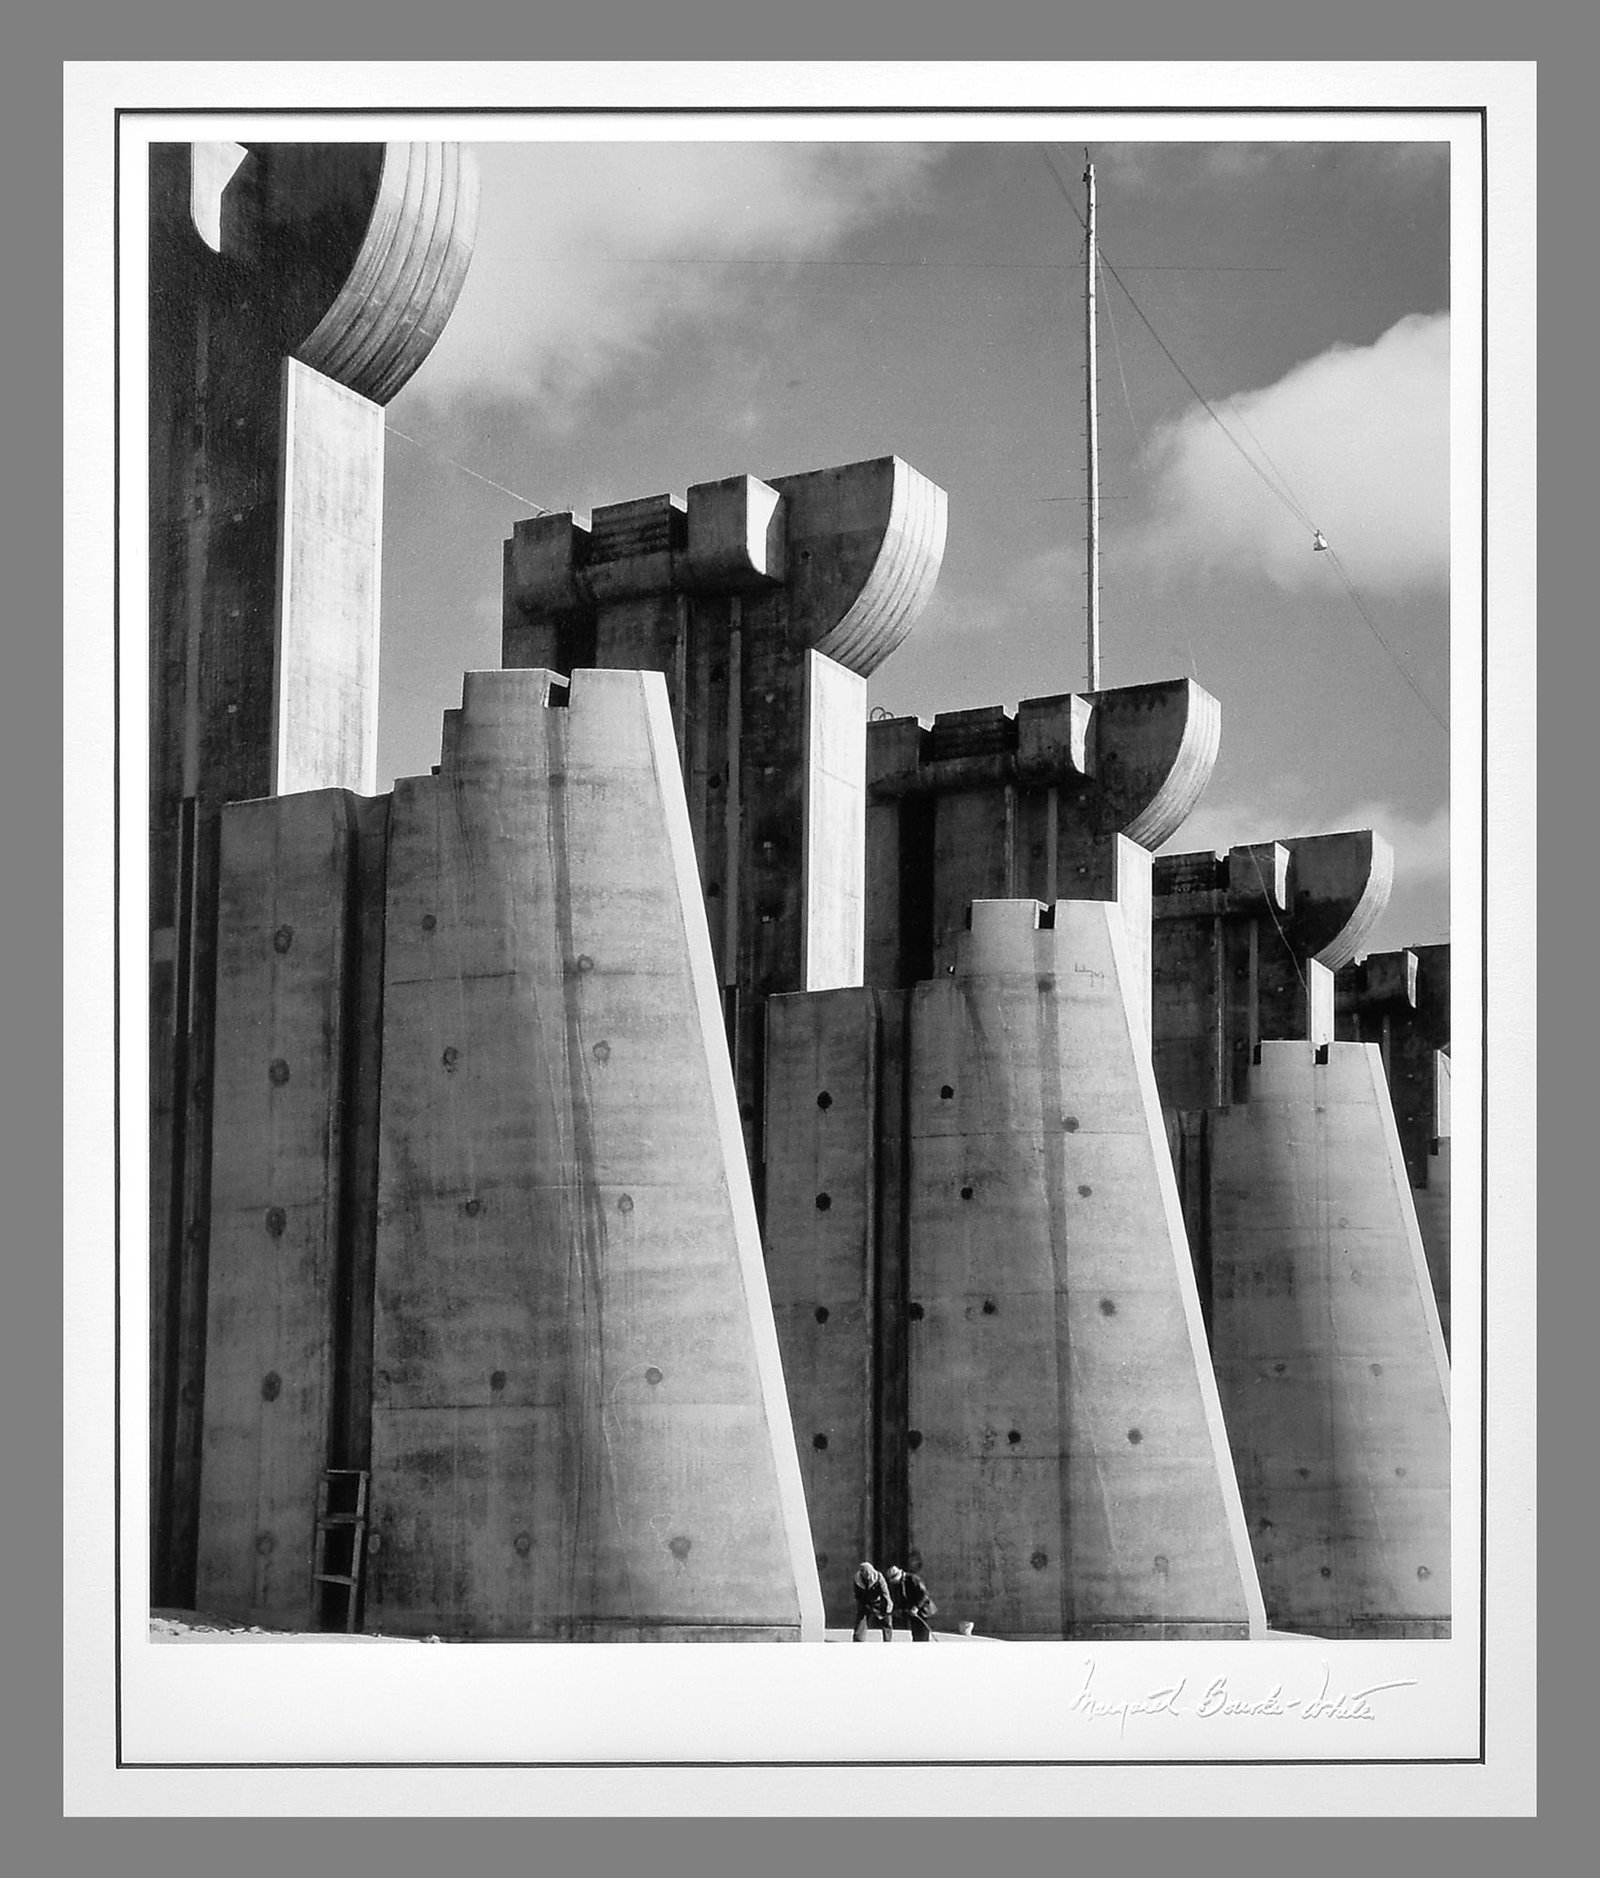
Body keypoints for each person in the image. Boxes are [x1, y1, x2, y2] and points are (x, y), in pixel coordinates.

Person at [886, 1564, 937, 1642]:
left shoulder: (914, 1579)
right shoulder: (901, 1583)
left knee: (922, 1636)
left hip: (923, 1612)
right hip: (913, 1614)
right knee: (915, 1636)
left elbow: (924, 1595)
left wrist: (916, 1607)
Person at [850, 1561, 894, 1642]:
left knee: (887, 1620)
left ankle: (888, 1641)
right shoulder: (857, 1580)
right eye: (866, 1574)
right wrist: (862, 1604)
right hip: (864, 1601)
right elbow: (857, 1595)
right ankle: (858, 1641)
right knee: (861, 1619)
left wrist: (888, 1605)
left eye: (869, 1574)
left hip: (878, 1601)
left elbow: (885, 1592)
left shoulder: (879, 1577)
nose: (869, 1576)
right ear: (862, 1574)